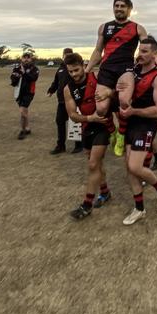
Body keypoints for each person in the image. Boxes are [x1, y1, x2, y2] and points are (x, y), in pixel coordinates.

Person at [117, 37, 157, 225]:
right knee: (129, 169)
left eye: (145, 51)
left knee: (135, 167)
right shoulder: (134, 72)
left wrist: (135, 111)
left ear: (155, 54)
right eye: (140, 50)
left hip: (146, 124)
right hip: (130, 122)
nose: (141, 54)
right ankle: (139, 209)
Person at [63, 53, 115, 220]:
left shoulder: (97, 77)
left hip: (103, 126)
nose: (74, 74)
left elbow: (115, 93)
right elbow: (72, 115)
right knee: (96, 164)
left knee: (93, 164)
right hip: (87, 127)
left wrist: (109, 93)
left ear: (83, 65)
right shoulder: (68, 89)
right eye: (70, 72)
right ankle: (105, 192)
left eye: (76, 70)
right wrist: (88, 118)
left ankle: (86, 205)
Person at [85, 0, 148, 119]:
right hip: (106, 69)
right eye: (116, 6)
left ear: (130, 9)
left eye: (123, 6)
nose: (119, 8)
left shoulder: (138, 28)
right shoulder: (104, 27)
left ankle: (122, 133)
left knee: (124, 102)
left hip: (126, 69)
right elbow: (98, 51)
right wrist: (87, 70)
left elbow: (147, 49)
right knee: (101, 109)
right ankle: (111, 130)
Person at [47, 48, 83, 154]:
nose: (67, 57)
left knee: (75, 122)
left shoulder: (74, 69)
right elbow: (56, 82)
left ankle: (79, 145)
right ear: (63, 56)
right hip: (62, 101)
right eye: (65, 55)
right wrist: (51, 90)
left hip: (74, 100)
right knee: (60, 122)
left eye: (69, 55)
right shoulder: (60, 69)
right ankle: (60, 145)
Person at [10, 51, 40, 140]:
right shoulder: (17, 68)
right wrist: (16, 76)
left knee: (22, 111)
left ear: (31, 59)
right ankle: (27, 128)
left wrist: (24, 73)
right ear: (21, 58)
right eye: (24, 57)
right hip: (18, 93)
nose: (26, 59)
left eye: (28, 57)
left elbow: (33, 78)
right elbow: (13, 79)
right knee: (24, 111)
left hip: (29, 92)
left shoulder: (35, 69)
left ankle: (22, 131)